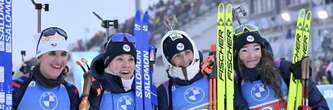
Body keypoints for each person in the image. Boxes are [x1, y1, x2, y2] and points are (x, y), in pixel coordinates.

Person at [233, 24, 329, 110]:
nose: (252, 55)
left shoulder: (284, 69)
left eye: (256, 49)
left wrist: (304, 79)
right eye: (244, 50)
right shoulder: (235, 84)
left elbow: (319, 104)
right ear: (236, 55)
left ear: (263, 50)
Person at [12, 27, 80, 110]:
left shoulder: (71, 91)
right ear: (39, 57)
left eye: (63, 54)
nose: (58, 61)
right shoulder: (17, 87)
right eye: (52, 53)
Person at [157, 30, 208, 110]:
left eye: (187, 52)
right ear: (168, 61)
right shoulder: (164, 91)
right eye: (177, 56)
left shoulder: (212, 77)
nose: (185, 60)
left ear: (194, 53)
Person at [87, 33, 137, 110]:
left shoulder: (145, 89)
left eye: (131, 59)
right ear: (108, 63)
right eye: (120, 59)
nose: (126, 65)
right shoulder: (95, 92)